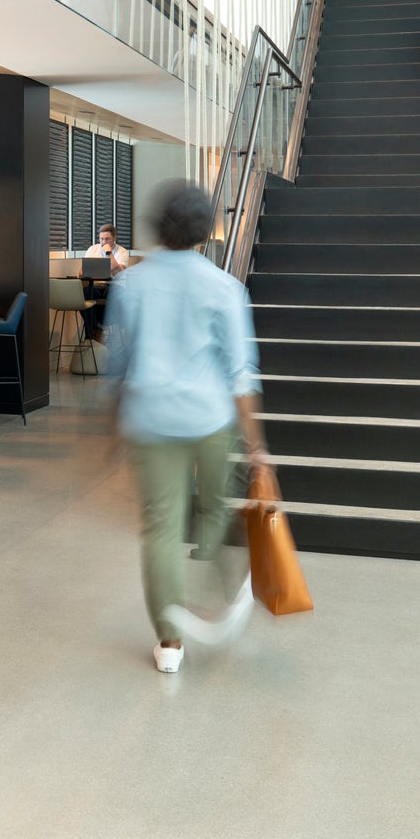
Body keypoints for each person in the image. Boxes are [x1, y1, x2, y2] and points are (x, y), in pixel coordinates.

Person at [106, 182, 273, 674]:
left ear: (158, 227)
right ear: (204, 231)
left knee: (159, 527)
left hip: (151, 418)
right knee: (214, 505)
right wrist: (257, 446)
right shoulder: (225, 287)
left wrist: (110, 429)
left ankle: (171, 645)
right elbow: (242, 374)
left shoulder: (130, 284)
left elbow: (118, 364)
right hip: (209, 419)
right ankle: (212, 574)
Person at [79, 224, 130, 342]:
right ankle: (95, 330)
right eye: (101, 239)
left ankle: (94, 333)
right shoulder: (92, 249)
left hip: (115, 286)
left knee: (111, 297)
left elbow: (117, 271)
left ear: (114, 238)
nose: (103, 242)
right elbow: (81, 273)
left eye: (107, 239)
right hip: (96, 285)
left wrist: (109, 252)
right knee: (83, 295)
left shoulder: (122, 252)